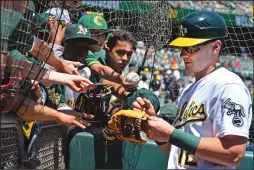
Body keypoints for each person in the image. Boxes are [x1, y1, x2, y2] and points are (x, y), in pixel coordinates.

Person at [133, 11, 252, 169]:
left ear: (215, 47)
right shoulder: (189, 89)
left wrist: (171, 133)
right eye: (183, 48)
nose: (183, 54)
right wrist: (159, 132)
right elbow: (180, 153)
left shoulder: (228, 86)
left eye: (191, 48)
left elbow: (234, 153)